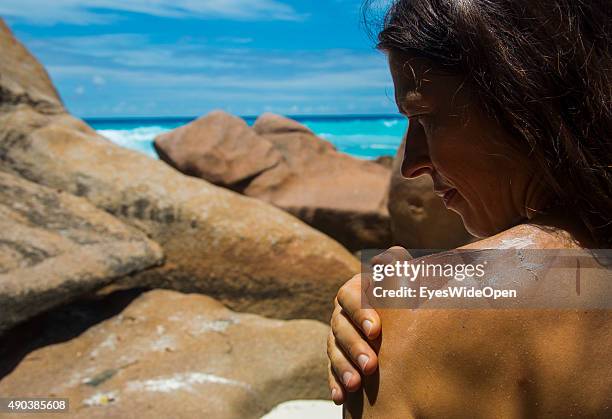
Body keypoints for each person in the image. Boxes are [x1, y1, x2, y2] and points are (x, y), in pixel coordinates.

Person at [327, 0, 611, 417]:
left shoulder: (415, 321)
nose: (410, 165)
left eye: (425, 118)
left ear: (528, 101)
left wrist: (410, 303)